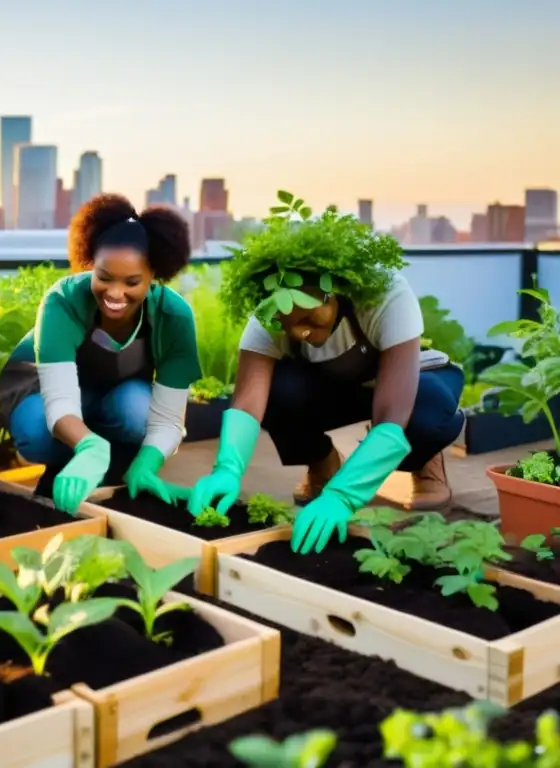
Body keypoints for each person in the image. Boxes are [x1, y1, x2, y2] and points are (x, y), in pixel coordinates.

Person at [186, 193, 464, 555]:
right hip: (335, 387)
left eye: (307, 318)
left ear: (334, 289)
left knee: (426, 414)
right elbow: (248, 401)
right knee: (278, 392)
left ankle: (425, 462)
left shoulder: (384, 292)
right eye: (288, 325)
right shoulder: (271, 311)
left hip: (405, 386)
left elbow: (391, 415)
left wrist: (343, 498)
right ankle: (322, 462)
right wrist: (228, 469)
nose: (298, 332)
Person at [0, 193, 202, 514]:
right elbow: (59, 401)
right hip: (41, 393)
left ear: (154, 276)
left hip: (117, 395)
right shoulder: (63, 301)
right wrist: (90, 445)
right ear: (91, 262)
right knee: (38, 431)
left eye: (132, 282)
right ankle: (80, 459)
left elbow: (168, 421)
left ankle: (102, 471)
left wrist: (146, 465)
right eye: (104, 277)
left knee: (138, 413)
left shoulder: (173, 317)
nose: (115, 293)